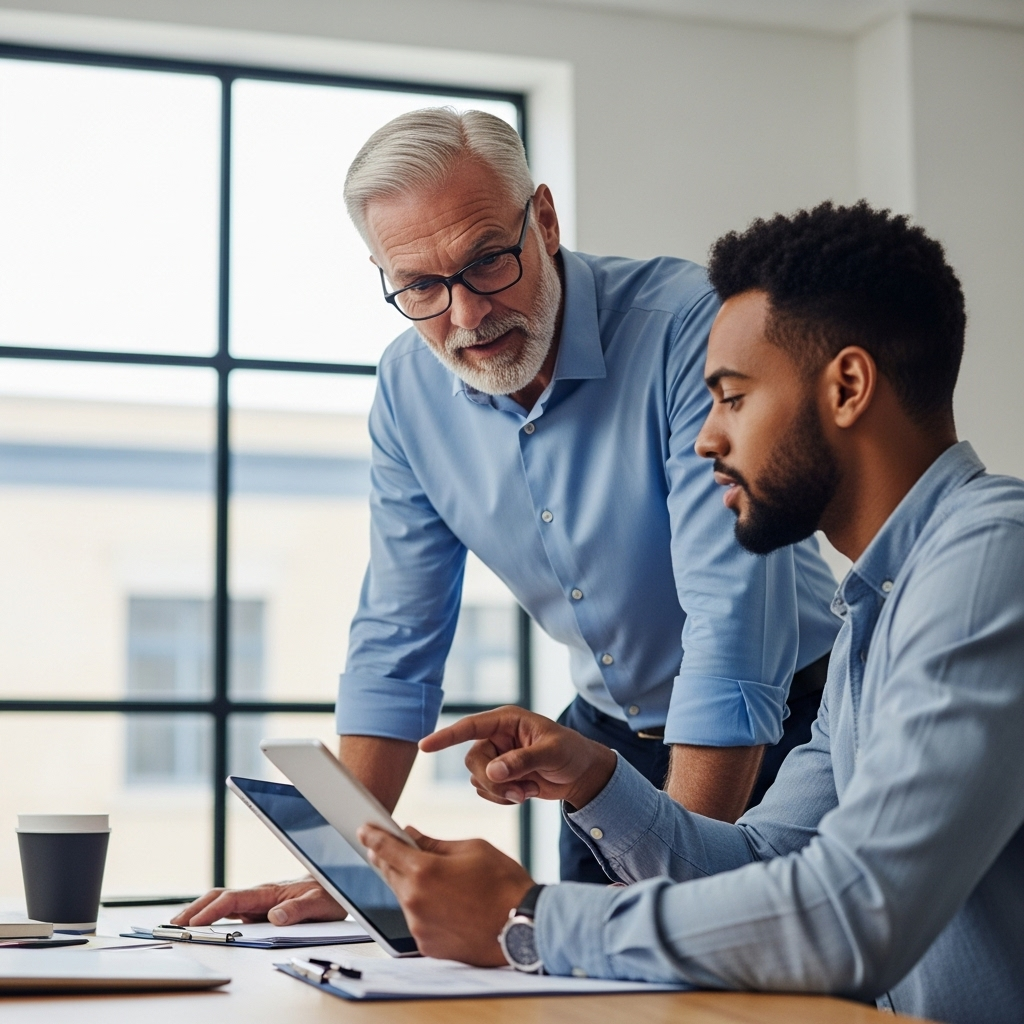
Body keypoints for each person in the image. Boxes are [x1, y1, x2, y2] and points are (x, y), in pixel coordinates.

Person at [357, 202, 1024, 1024]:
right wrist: (598, 780)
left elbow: (856, 912)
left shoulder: (994, 560)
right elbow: (760, 861)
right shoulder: (879, 605)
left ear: (847, 387)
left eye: (732, 398)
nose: (705, 439)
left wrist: (526, 921)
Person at [173, 108, 838, 927]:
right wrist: (352, 867)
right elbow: (396, 637)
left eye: (487, 260)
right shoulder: (408, 390)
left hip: (781, 726)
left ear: (545, 220)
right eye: (420, 286)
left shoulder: (688, 329)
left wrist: (680, 900)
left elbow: (732, 627)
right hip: (605, 745)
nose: (465, 316)